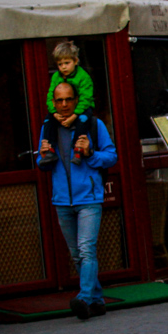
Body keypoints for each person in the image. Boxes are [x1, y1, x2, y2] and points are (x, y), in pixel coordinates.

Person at [38, 82, 117, 320]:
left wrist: (90, 153)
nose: (64, 104)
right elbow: (43, 163)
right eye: (59, 100)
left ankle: (83, 298)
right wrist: (42, 156)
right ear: (53, 102)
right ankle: (97, 300)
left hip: (89, 197)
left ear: (76, 100)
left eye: (68, 99)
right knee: (76, 254)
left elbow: (111, 156)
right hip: (62, 200)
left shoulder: (93, 124)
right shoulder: (48, 127)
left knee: (86, 249)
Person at [41, 41, 95, 164]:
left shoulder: (83, 77)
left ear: (75, 61)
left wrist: (74, 116)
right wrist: (54, 113)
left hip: (82, 108)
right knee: (48, 121)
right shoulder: (56, 77)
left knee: (83, 120)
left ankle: (78, 149)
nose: (63, 67)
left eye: (67, 63)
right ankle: (50, 150)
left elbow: (86, 98)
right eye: (60, 64)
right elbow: (50, 96)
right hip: (60, 111)